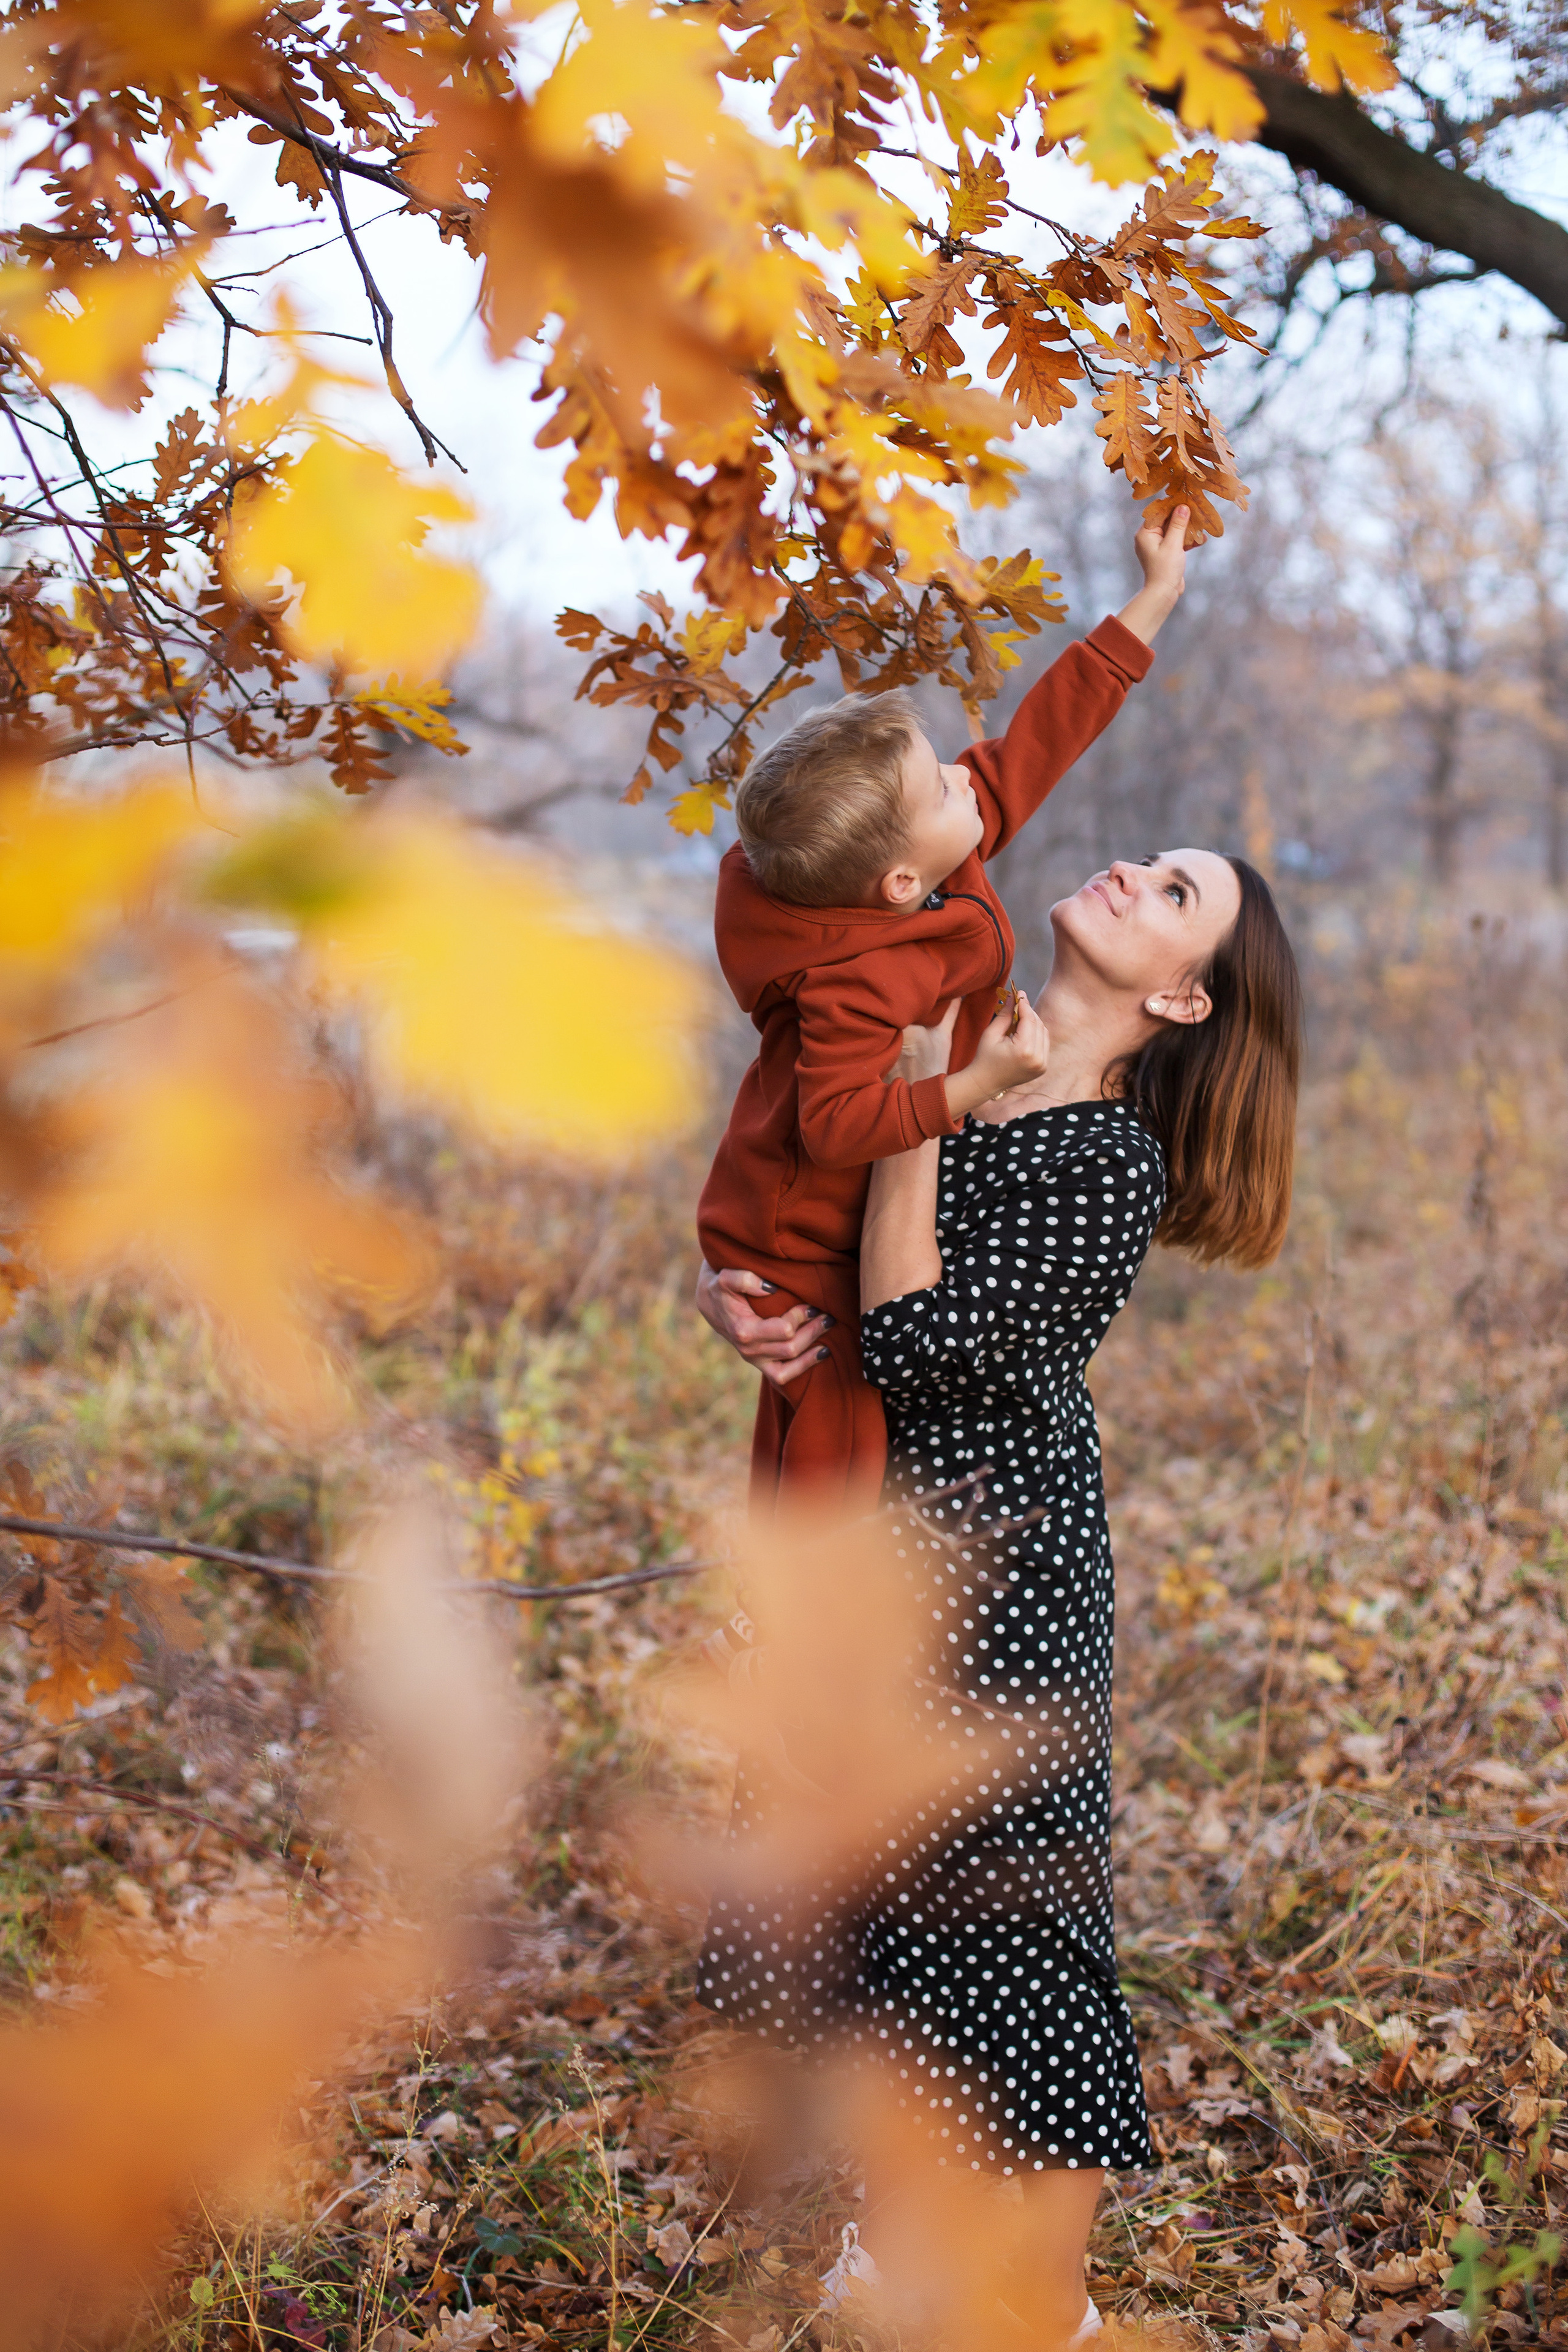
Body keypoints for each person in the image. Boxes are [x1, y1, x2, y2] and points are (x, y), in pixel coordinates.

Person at [696, 846, 1302, 2344]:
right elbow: (805, 1226)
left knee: (1011, 1931)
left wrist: (923, 1100)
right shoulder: (968, 1039)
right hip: (866, 1555)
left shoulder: (1103, 1162)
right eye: (1154, 861)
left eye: (1175, 898)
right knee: (882, 1916)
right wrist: (732, 1289)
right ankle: (903, 2256)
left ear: (1176, 993)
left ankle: (1045, 2310)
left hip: (999, 1574)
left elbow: (909, 1340)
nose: (1134, 873)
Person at [697, 508, 1194, 1517]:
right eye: (941, 786)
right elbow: (832, 1125)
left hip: (986, 1530)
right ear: (894, 879)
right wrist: (963, 1085)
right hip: (804, 1250)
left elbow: (1034, 748)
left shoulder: (934, 862)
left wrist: (1150, 605)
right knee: (824, 1491)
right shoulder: (854, 983)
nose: (970, 776)